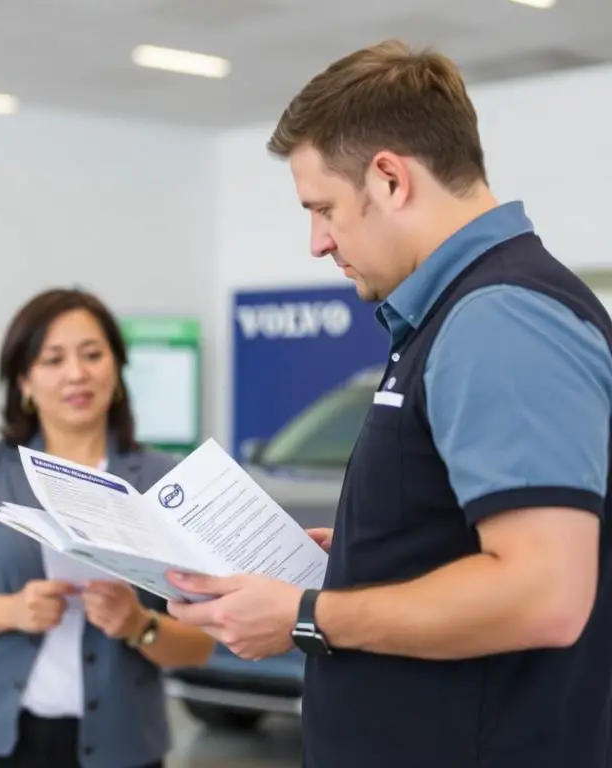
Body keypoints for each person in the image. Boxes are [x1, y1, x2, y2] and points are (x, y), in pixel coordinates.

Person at [166, 39, 612, 768]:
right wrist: (364, 554)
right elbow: (471, 537)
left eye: (324, 209)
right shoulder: (457, 314)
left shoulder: (500, 317)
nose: (317, 242)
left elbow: (544, 594)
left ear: (389, 178)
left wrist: (307, 617)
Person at [0, 287, 216, 768]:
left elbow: (199, 646)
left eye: (93, 354)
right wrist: (11, 610)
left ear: (116, 369)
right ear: (24, 381)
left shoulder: (164, 481)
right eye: (53, 359)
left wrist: (139, 625)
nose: (77, 373)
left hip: (123, 745)